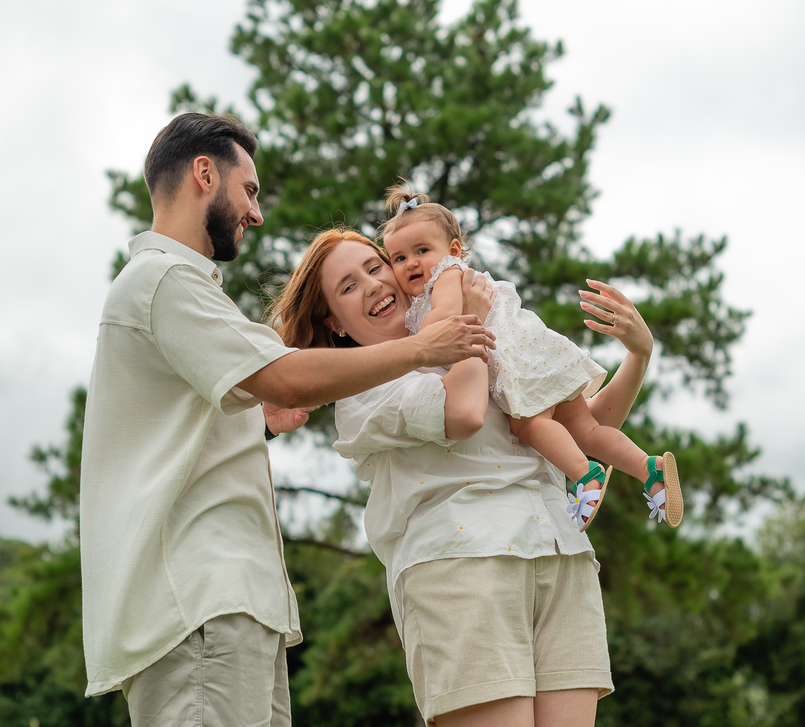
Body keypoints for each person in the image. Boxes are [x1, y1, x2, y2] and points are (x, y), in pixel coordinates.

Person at [78, 113, 494, 727]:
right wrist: (423, 349)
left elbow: (212, 419)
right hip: (198, 602)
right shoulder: (163, 280)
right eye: (249, 190)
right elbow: (283, 374)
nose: (256, 212)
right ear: (203, 174)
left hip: (227, 604)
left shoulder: (179, 288)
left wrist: (263, 425)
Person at [267, 226, 657, 726]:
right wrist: (462, 316)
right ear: (332, 321)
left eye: (374, 267)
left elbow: (583, 432)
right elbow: (465, 413)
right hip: (461, 564)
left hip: (560, 554)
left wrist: (638, 355)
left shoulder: (489, 334)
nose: (371, 285)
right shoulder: (363, 395)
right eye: (347, 286)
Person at [380, 183, 683, 530]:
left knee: (528, 423)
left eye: (421, 250)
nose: (411, 263)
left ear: (452, 250)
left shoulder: (446, 276)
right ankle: (648, 468)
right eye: (399, 258)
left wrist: (414, 343)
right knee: (587, 430)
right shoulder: (442, 281)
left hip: (519, 364)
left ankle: (584, 475)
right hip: (543, 358)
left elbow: (445, 318)